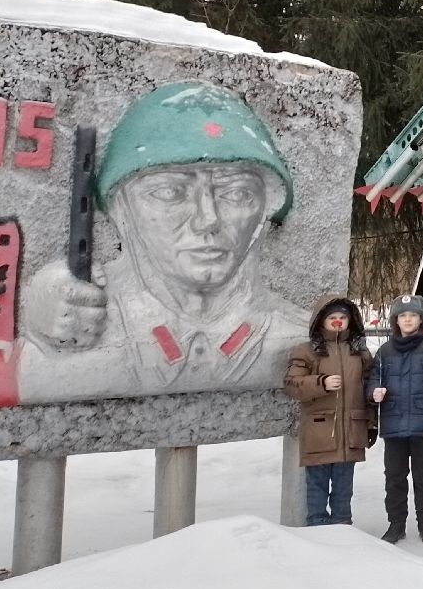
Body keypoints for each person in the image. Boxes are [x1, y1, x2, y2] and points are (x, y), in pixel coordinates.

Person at [18, 82, 310, 401]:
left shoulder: (300, 334)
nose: (207, 219)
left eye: (237, 193)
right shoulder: (76, 322)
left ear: (265, 209)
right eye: (169, 193)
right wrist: (38, 331)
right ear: (120, 208)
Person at [284, 295, 376, 527]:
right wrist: (321, 383)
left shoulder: (360, 353)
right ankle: (317, 527)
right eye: (332, 317)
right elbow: (291, 384)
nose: (337, 321)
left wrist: (371, 423)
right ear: (321, 321)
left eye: (342, 317)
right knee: (317, 486)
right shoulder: (306, 351)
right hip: (319, 433)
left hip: (351, 433)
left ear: (350, 321)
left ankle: (343, 526)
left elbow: (369, 389)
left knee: (344, 487)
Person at [367, 297, 423, 545]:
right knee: (394, 477)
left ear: (420, 319)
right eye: (403, 316)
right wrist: (374, 391)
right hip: (394, 425)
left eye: (412, 316)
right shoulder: (385, 351)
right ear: (396, 321)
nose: (408, 320)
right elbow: (372, 379)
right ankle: (396, 524)